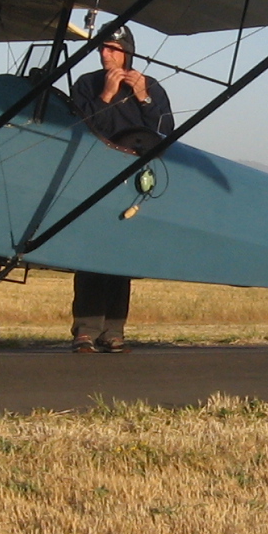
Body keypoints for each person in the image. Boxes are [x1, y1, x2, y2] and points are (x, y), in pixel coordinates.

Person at [65, 27, 172, 353]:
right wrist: (107, 95)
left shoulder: (150, 86)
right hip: (94, 177)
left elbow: (165, 132)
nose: (105, 54)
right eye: (102, 48)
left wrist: (144, 98)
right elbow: (80, 128)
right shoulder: (87, 84)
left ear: (127, 52)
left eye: (112, 49)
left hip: (134, 180)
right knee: (91, 255)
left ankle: (113, 331)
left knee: (120, 256)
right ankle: (85, 331)